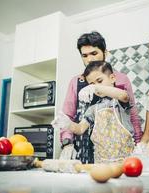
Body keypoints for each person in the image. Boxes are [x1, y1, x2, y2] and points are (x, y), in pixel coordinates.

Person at [60, 31, 142, 163]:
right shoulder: (76, 82)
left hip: (120, 148)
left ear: (105, 53)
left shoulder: (121, 79)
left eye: (94, 53)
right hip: (84, 148)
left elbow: (132, 114)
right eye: (84, 55)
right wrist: (67, 143)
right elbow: (67, 117)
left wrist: (139, 143)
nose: (89, 59)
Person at [52, 61, 135, 163]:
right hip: (101, 163)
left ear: (112, 78)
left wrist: (95, 87)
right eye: (91, 84)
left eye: (99, 81)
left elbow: (123, 96)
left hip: (125, 162)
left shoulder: (120, 99)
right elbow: (80, 129)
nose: (95, 87)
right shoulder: (93, 108)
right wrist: (67, 123)